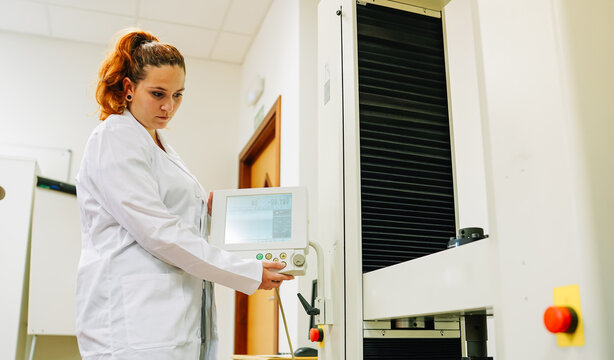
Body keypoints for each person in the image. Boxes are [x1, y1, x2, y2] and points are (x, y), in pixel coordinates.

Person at [75, 29, 294, 360]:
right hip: (133, 324)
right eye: (158, 93)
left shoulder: (158, 145)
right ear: (129, 89)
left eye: (178, 95)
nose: (169, 107)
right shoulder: (115, 138)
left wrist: (203, 210)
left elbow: (167, 218)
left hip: (174, 321)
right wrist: (247, 272)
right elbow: (158, 232)